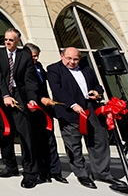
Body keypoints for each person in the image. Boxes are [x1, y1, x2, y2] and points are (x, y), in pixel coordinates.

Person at [47, 47, 127, 189]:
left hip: (91, 108)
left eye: (75, 59)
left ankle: (102, 173)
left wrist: (97, 92)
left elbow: (98, 86)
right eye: (69, 59)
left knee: (99, 140)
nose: (72, 62)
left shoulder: (86, 68)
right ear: (62, 56)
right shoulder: (53, 69)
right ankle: (82, 174)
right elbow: (57, 90)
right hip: (69, 110)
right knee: (74, 144)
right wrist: (72, 104)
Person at [0, 28, 39, 189]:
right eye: (5, 39)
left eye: (11, 40)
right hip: (3, 97)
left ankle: (30, 173)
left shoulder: (25, 55)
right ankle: (10, 166)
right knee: (5, 134)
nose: (7, 42)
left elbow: (30, 80)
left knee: (26, 136)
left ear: (18, 41)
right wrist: (5, 95)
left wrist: (32, 99)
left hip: (20, 95)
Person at [23, 43, 67, 184]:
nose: (35, 59)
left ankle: (55, 171)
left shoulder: (39, 66)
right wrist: (40, 99)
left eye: (37, 56)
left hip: (46, 108)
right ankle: (42, 171)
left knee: (50, 139)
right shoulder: (22, 68)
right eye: (33, 56)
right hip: (33, 108)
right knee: (37, 142)